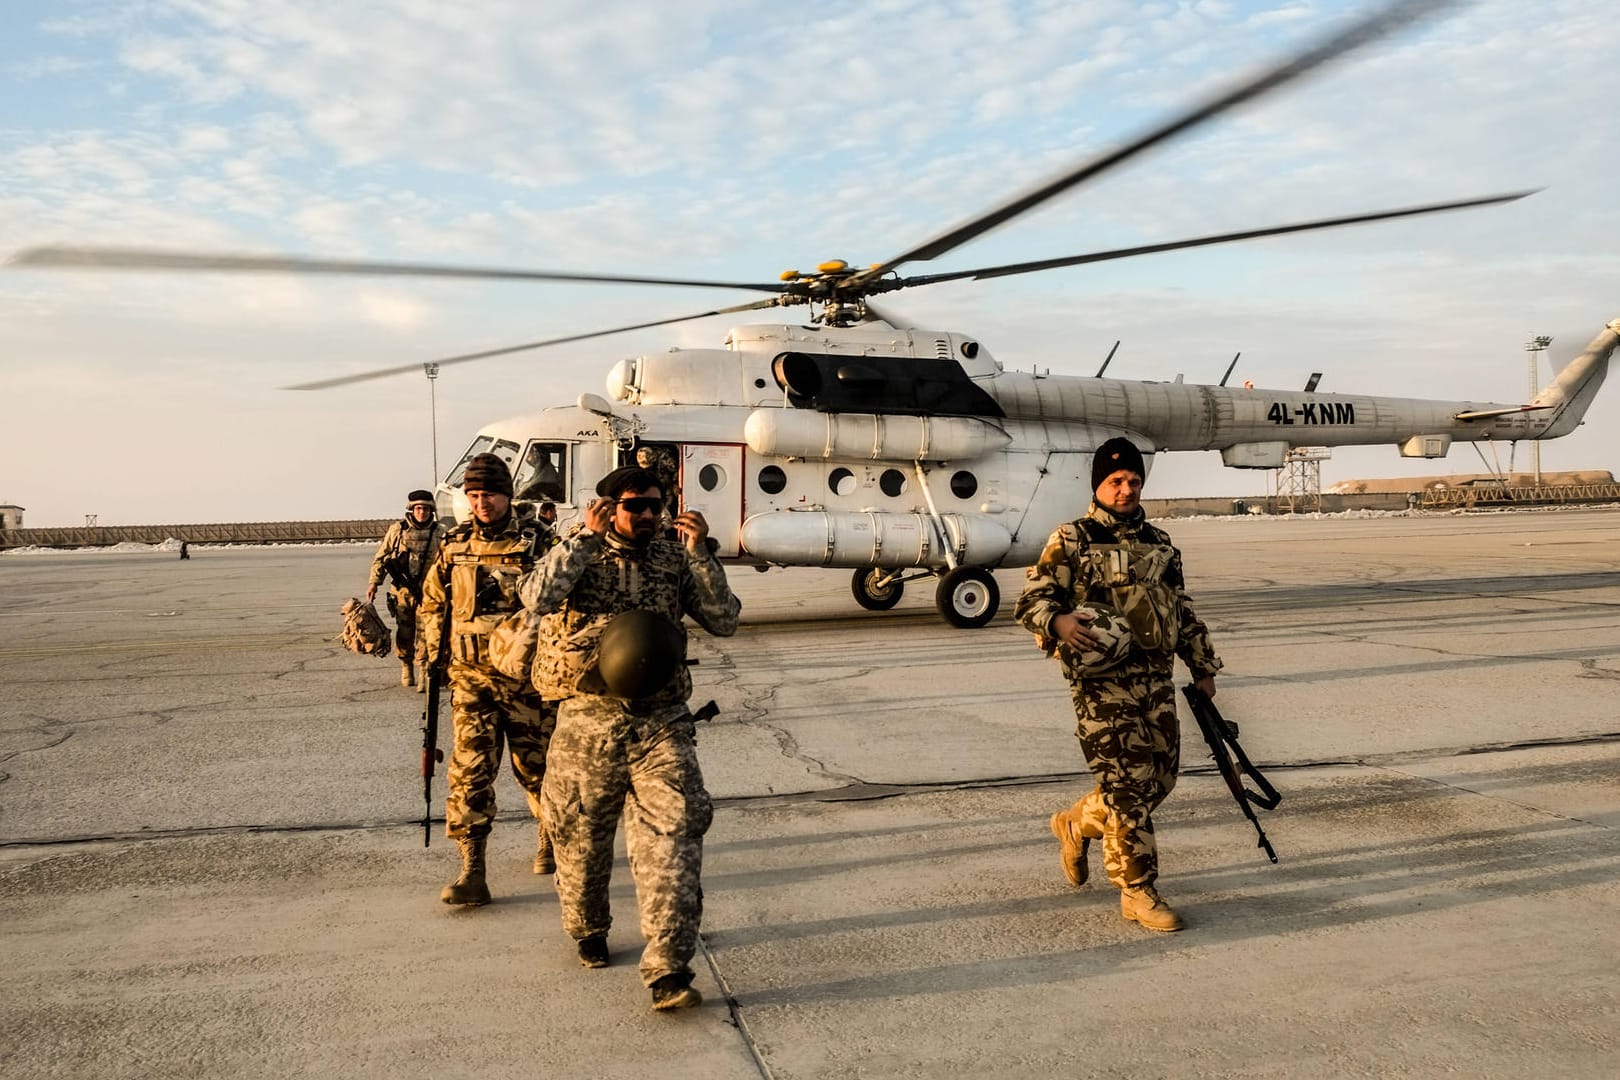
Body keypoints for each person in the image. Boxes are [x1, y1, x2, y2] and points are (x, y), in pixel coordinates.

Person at [519, 465, 739, 1011]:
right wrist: (582, 540)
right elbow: (536, 598)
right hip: (587, 719)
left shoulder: (673, 557)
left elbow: (724, 620)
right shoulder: (580, 549)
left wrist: (701, 553)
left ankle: (668, 970)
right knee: (578, 840)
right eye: (635, 505)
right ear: (609, 508)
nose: (647, 514)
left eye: (655, 505)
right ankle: (587, 927)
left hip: (660, 720)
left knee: (675, 832)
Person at [1013, 436, 1223, 933]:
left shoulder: (1161, 544)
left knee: (1161, 779)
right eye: (1115, 481)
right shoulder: (1072, 538)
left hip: (1156, 682)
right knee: (1127, 788)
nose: (1125, 489)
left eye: (1132, 480)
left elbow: (1182, 610)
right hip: (1101, 687)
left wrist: (1203, 666)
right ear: (1098, 486)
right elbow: (1031, 601)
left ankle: (1078, 822)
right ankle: (1138, 891)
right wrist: (1059, 623)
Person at [418, 455, 557, 906]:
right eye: (474, 495)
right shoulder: (454, 543)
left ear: (507, 495)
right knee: (470, 773)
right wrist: (434, 658)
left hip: (528, 683)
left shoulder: (537, 541)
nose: (481, 503)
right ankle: (472, 868)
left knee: (537, 770)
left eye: (489, 495)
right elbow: (433, 603)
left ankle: (550, 836)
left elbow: (560, 603)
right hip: (471, 679)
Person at [367, 490, 446, 689]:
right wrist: (374, 583)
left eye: (426, 509)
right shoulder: (398, 531)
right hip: (402, 592)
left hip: (429, 592)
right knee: (405, 631)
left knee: (425, 632)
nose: (422, 513)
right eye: (418, 508)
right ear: (411, 509)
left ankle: (422, 670)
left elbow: (449, 561)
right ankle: (406, 665)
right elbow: (382, 557)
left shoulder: (440, 532)